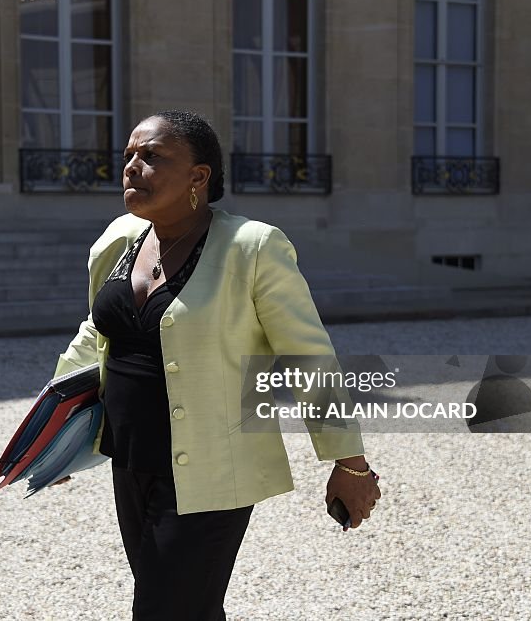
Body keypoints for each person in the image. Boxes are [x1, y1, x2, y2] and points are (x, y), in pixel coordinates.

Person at [50, 110, 381, 620]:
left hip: (213, 471)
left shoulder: (253, 247)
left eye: (152, 157)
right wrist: (54, 433)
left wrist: (349, 461)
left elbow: (308, 355)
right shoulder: (121, 239)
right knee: (188, 607)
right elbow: (96, 332)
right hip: (130, 459)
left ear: (199, 177)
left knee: (163, 610)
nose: (132, 167)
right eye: (128, 157)